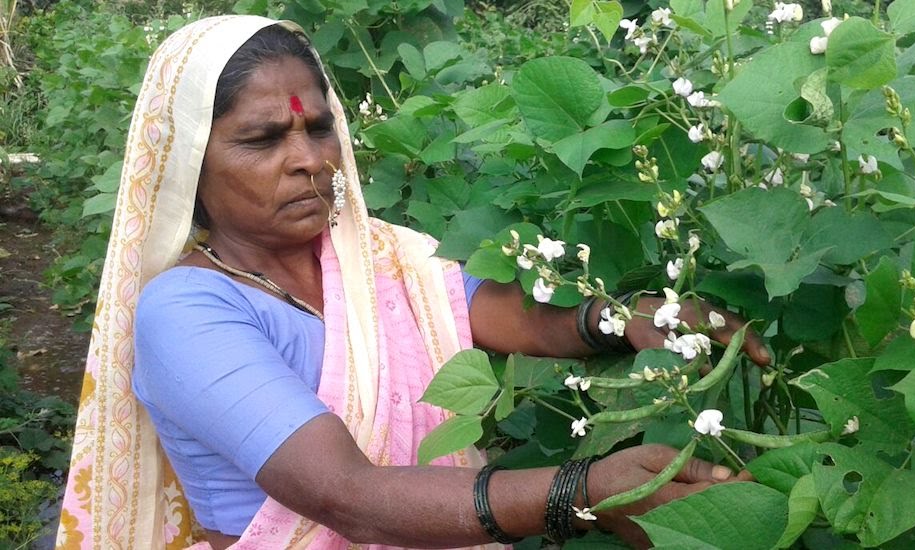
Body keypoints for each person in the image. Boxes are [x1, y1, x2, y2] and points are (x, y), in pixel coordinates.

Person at [56, 15, 771, 550]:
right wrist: (586, 492)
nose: (309, 160)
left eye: (320, 129)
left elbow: (507, 316)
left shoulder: (378, 259)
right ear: (188, 166)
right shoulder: (186, 311)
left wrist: (628, 316)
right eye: (263, 139)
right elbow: (349, 496)